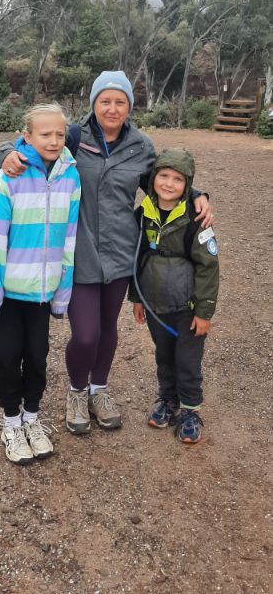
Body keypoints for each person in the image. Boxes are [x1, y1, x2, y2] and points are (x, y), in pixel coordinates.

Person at [0, 71, 212, 436]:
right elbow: (23, 143)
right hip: (77, 251)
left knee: (108, 328)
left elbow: (165, 180)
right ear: (94, 103)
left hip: (120, 253)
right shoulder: (73, 138)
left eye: (120, 102)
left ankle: (99, 390)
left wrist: (197, 194)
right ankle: (77, 392)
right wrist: (6, 154)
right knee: (85, 334)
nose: (112, 108)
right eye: (105, 101)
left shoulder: (141, 146)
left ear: (130, 106)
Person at [0, 103, 81, 464]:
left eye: (60, 134)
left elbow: (70, 238)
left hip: (42, 293)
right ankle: (10, 422)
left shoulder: (71, 176)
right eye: (45, 134)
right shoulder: (3, 180)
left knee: (37, 357)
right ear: (27, 136)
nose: (53, 141)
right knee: (7, 359)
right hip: (7, 296)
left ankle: (32, 419)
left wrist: (61, 294)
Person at [129, 148, 219, 444]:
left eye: (177, 180)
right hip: (156, 305)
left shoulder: (196, 218)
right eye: (163, 176)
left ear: (188, 185)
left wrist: (204, 312)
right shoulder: (144, 214)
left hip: (188, 308)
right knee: (164, 355)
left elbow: (208, 266)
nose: (168, 184)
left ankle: (190, 410)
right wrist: (137, 297)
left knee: (187, 361)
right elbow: (137, 258)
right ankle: (168, 401)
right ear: (153, 178)